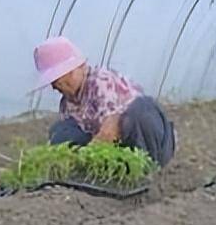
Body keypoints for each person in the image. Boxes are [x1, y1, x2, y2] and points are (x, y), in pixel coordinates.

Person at [32, 36, 175, 166]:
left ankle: (146, 167)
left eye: (58, 79)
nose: (55, 86)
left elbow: (111, 129)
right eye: (53, 82)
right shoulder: (67, 104)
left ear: (76, 69)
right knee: (60, 132)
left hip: (152, 141)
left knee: (139, 110)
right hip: (118, 150)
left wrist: (87, 155)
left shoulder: (99, 82)